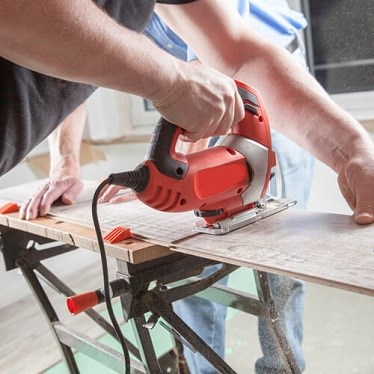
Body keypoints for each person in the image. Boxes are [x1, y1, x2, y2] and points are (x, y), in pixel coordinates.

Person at [0, 0, 373, 373]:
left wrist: (352, 151)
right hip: (201, 89)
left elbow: (236, 55)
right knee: (187, 269)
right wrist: (68, 160)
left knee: (280, 272)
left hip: (268, 96)